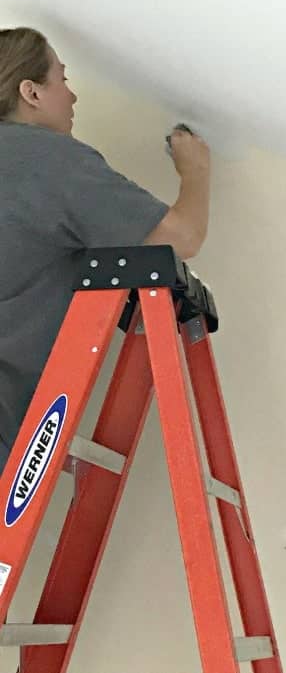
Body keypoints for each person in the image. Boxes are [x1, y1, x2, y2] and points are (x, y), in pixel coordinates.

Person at [0, 27, 211, 474]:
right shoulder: (48, 160)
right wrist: (195, 172)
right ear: (31, 92)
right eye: (62, 78)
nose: (72, 96)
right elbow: (182, 238)